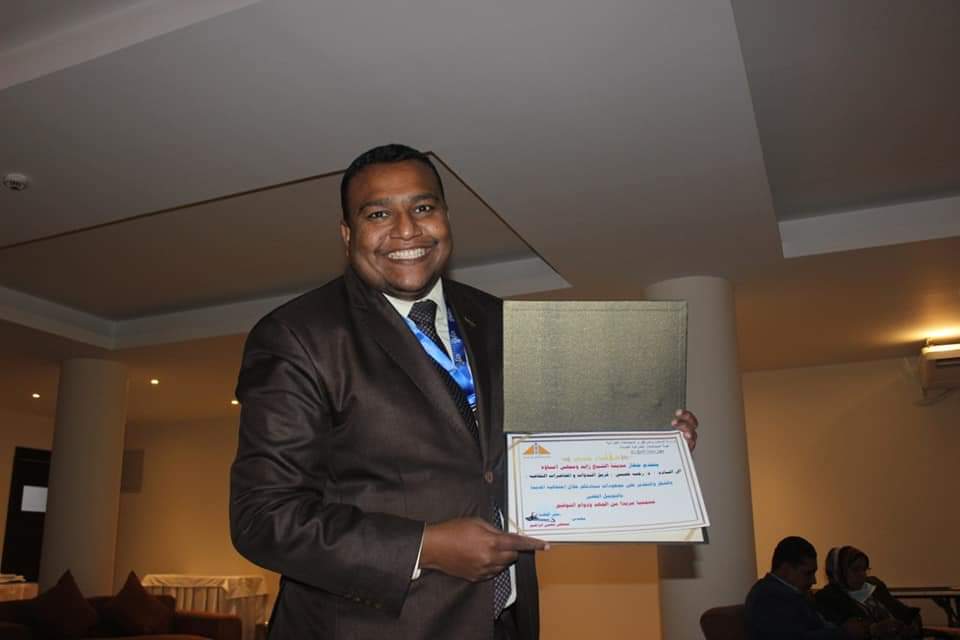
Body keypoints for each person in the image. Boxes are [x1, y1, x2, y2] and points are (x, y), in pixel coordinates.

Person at [229, 144, 700, 640]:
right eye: (378, 214)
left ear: (446, 218)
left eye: (423, 207)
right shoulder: (299, 336)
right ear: (348, 234)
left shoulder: (498, 318)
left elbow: (526, 456)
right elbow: (263, 518)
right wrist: (425, 548)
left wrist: (644, 449)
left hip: (505, 625)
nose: (407, 229)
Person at [745, 536, 866, 640]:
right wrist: (844, 632)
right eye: (808, 573)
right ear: (786, 569)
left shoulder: (791, 594)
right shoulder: (767, 597)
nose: (814, 581)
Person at [815, 546, 921, 639]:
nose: (863, 574)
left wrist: (911, 625)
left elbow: (905, 613)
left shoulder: (874, 586)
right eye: (856, 569)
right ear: (839, 571)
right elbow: (846, 631)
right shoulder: (828, 597)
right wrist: (875, 629)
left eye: (865, 569)